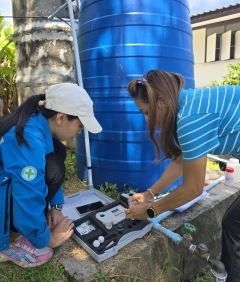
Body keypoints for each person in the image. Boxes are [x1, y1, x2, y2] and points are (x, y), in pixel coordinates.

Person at [125, 69, 240, 281]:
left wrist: (151, 211)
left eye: (146, 112)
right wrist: (149, 194)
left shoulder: (190, 118)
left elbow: (193, 188)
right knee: (234, 224)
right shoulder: (189, 103)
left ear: (160, 101)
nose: (146, 119)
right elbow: (182, 160)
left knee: (234, 225)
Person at [0, 82, 102, 268]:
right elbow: (27, 196)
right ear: (61, 118)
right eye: (79, 125)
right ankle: (9, 242)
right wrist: (47, 239)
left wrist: (55, 207)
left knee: (57, 152)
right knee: (54, 167)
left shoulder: (37, 122)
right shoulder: (29, 138)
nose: (79, 132)